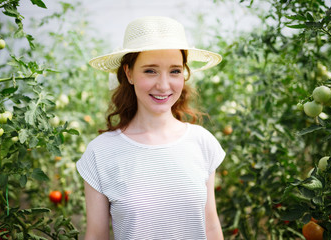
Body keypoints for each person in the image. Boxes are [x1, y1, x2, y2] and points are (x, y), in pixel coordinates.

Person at [76, 16, 226, 240]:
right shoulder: (100, 153)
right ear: (129, 73)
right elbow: (96, 235)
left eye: (175, 71)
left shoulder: (202, 142)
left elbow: (211, 228)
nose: (164, 85)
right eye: (150, 71)